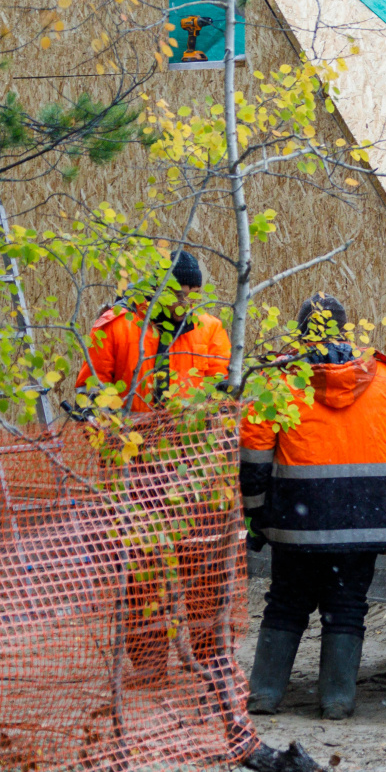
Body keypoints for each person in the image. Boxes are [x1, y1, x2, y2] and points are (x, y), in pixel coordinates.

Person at [241, 295, 386, 720]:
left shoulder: (278, 379)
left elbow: (252, 458)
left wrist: (256, 513)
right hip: (364, 523)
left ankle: (265, 695)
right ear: (345, 329)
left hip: (297, 521)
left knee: (286, 602)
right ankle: (337, 701)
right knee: (347, 606)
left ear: (301, 330)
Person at [76, 249, 238, 682]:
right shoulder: (117, 326)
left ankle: (210, 659)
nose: (188, 299)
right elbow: (88, 397)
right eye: (180, 291)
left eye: (193, 292)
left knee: (204, 568)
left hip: (195, 470)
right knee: (143, 574)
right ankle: (148, 666)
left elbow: (225, 397)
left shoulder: (211, 329)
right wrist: (113, 449)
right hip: (138, 469)